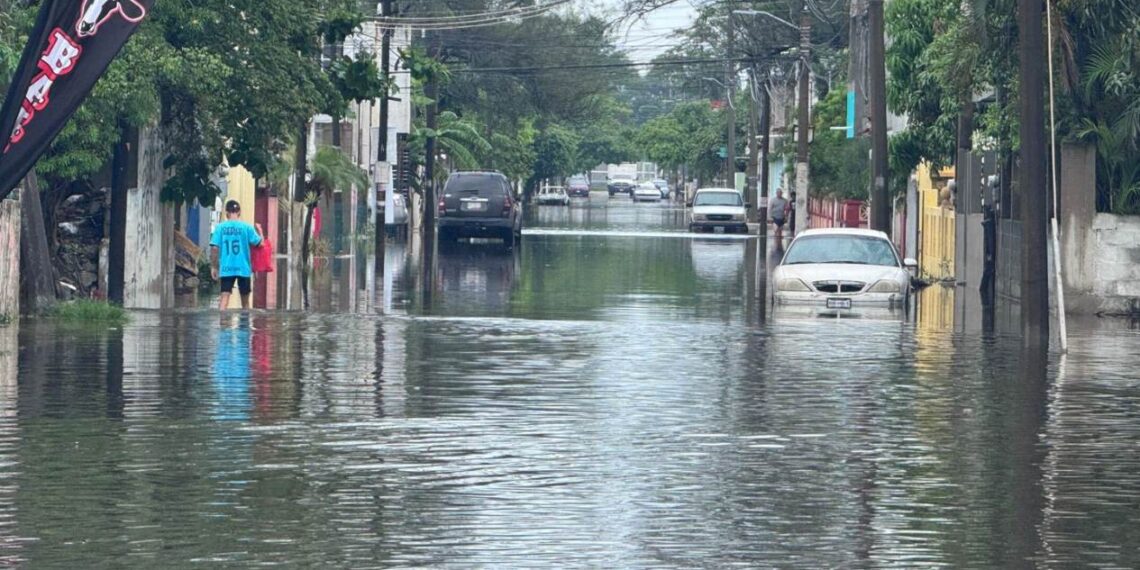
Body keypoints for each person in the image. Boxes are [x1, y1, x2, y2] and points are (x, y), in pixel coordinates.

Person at [210, 200, 263, 310]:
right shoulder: (247, 228)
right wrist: (260, 231)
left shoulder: (220, 228)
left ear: (226, 213)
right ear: (239, 212)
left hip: (226, 268)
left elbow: (214, 248)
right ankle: (244, 326)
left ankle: (223, 325)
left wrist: (214, 266)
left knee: (224, 300)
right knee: (245, 303)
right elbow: (260, 244)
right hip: (243, 268)